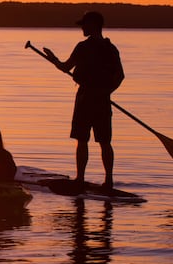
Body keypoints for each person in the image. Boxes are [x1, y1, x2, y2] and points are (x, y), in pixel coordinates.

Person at [44, 11, 125, 189]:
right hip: (102, 100)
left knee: (83, 140)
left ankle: (81, 178)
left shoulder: (84, 47)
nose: (82, 27)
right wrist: (106, 92)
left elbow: (66, 67)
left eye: (84, 24)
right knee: (104, 141)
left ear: (94, 25)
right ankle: (108, 180)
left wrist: (54, 59)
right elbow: (120, 77)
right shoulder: (110, 49)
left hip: (86, 99)